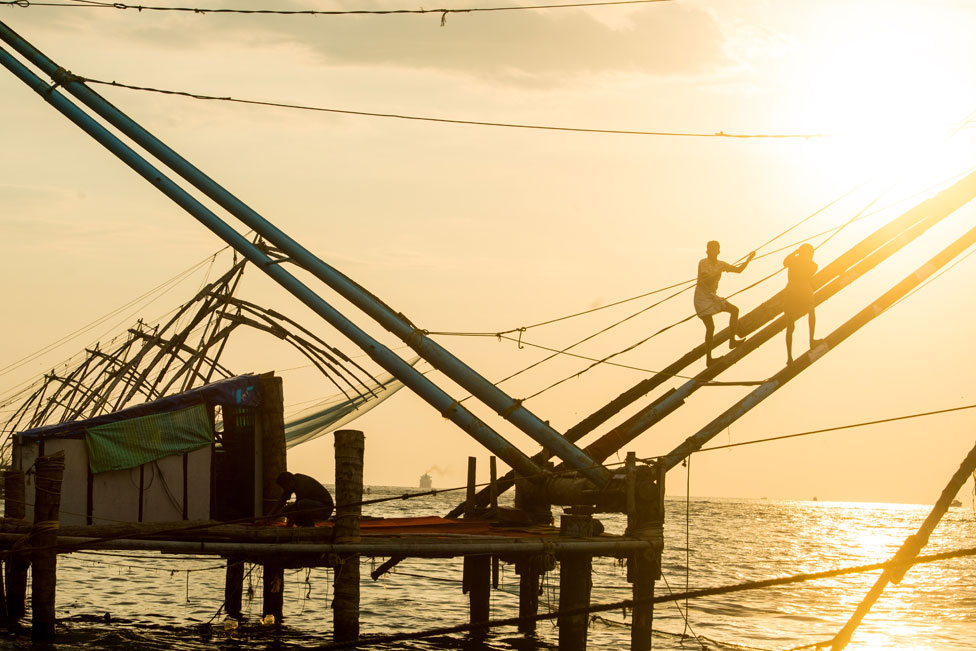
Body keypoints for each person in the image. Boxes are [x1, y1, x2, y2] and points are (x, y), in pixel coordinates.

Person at [694, 240, 755, 366]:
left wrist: (749, 258)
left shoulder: (720, 264)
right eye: (711, 249)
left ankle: (732, 341)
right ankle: (709, 359)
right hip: (701, 298)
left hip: (712, 297)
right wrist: (718, 271)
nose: (713, 252)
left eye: (715, 249)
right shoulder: (703, 263)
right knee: (710, 327)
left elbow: (738, 270)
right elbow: (707, 282)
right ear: (707, 251)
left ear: (718, 251)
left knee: (734, 310)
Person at [783, 243, 819, 364]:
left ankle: (789, 357)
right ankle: (811, 341)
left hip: (791, 289)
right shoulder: (813, 265)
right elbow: (809, 273)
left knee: (790, 325)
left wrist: (795, 253)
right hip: (803, 288)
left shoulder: (794, 260)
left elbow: (785, 262)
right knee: (811, 311)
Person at [270, 471, 334, 527]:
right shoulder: (293, 482)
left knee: (301, 504)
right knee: (286, 510)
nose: (284, 489)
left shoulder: (301, 484)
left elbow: (296, 509)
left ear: (290, 482)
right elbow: (281, 501)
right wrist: (269, 518)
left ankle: (309, 528)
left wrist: (288, 526)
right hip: (313, 506)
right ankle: (308, 525)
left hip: (325, 509)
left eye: (284, 487)